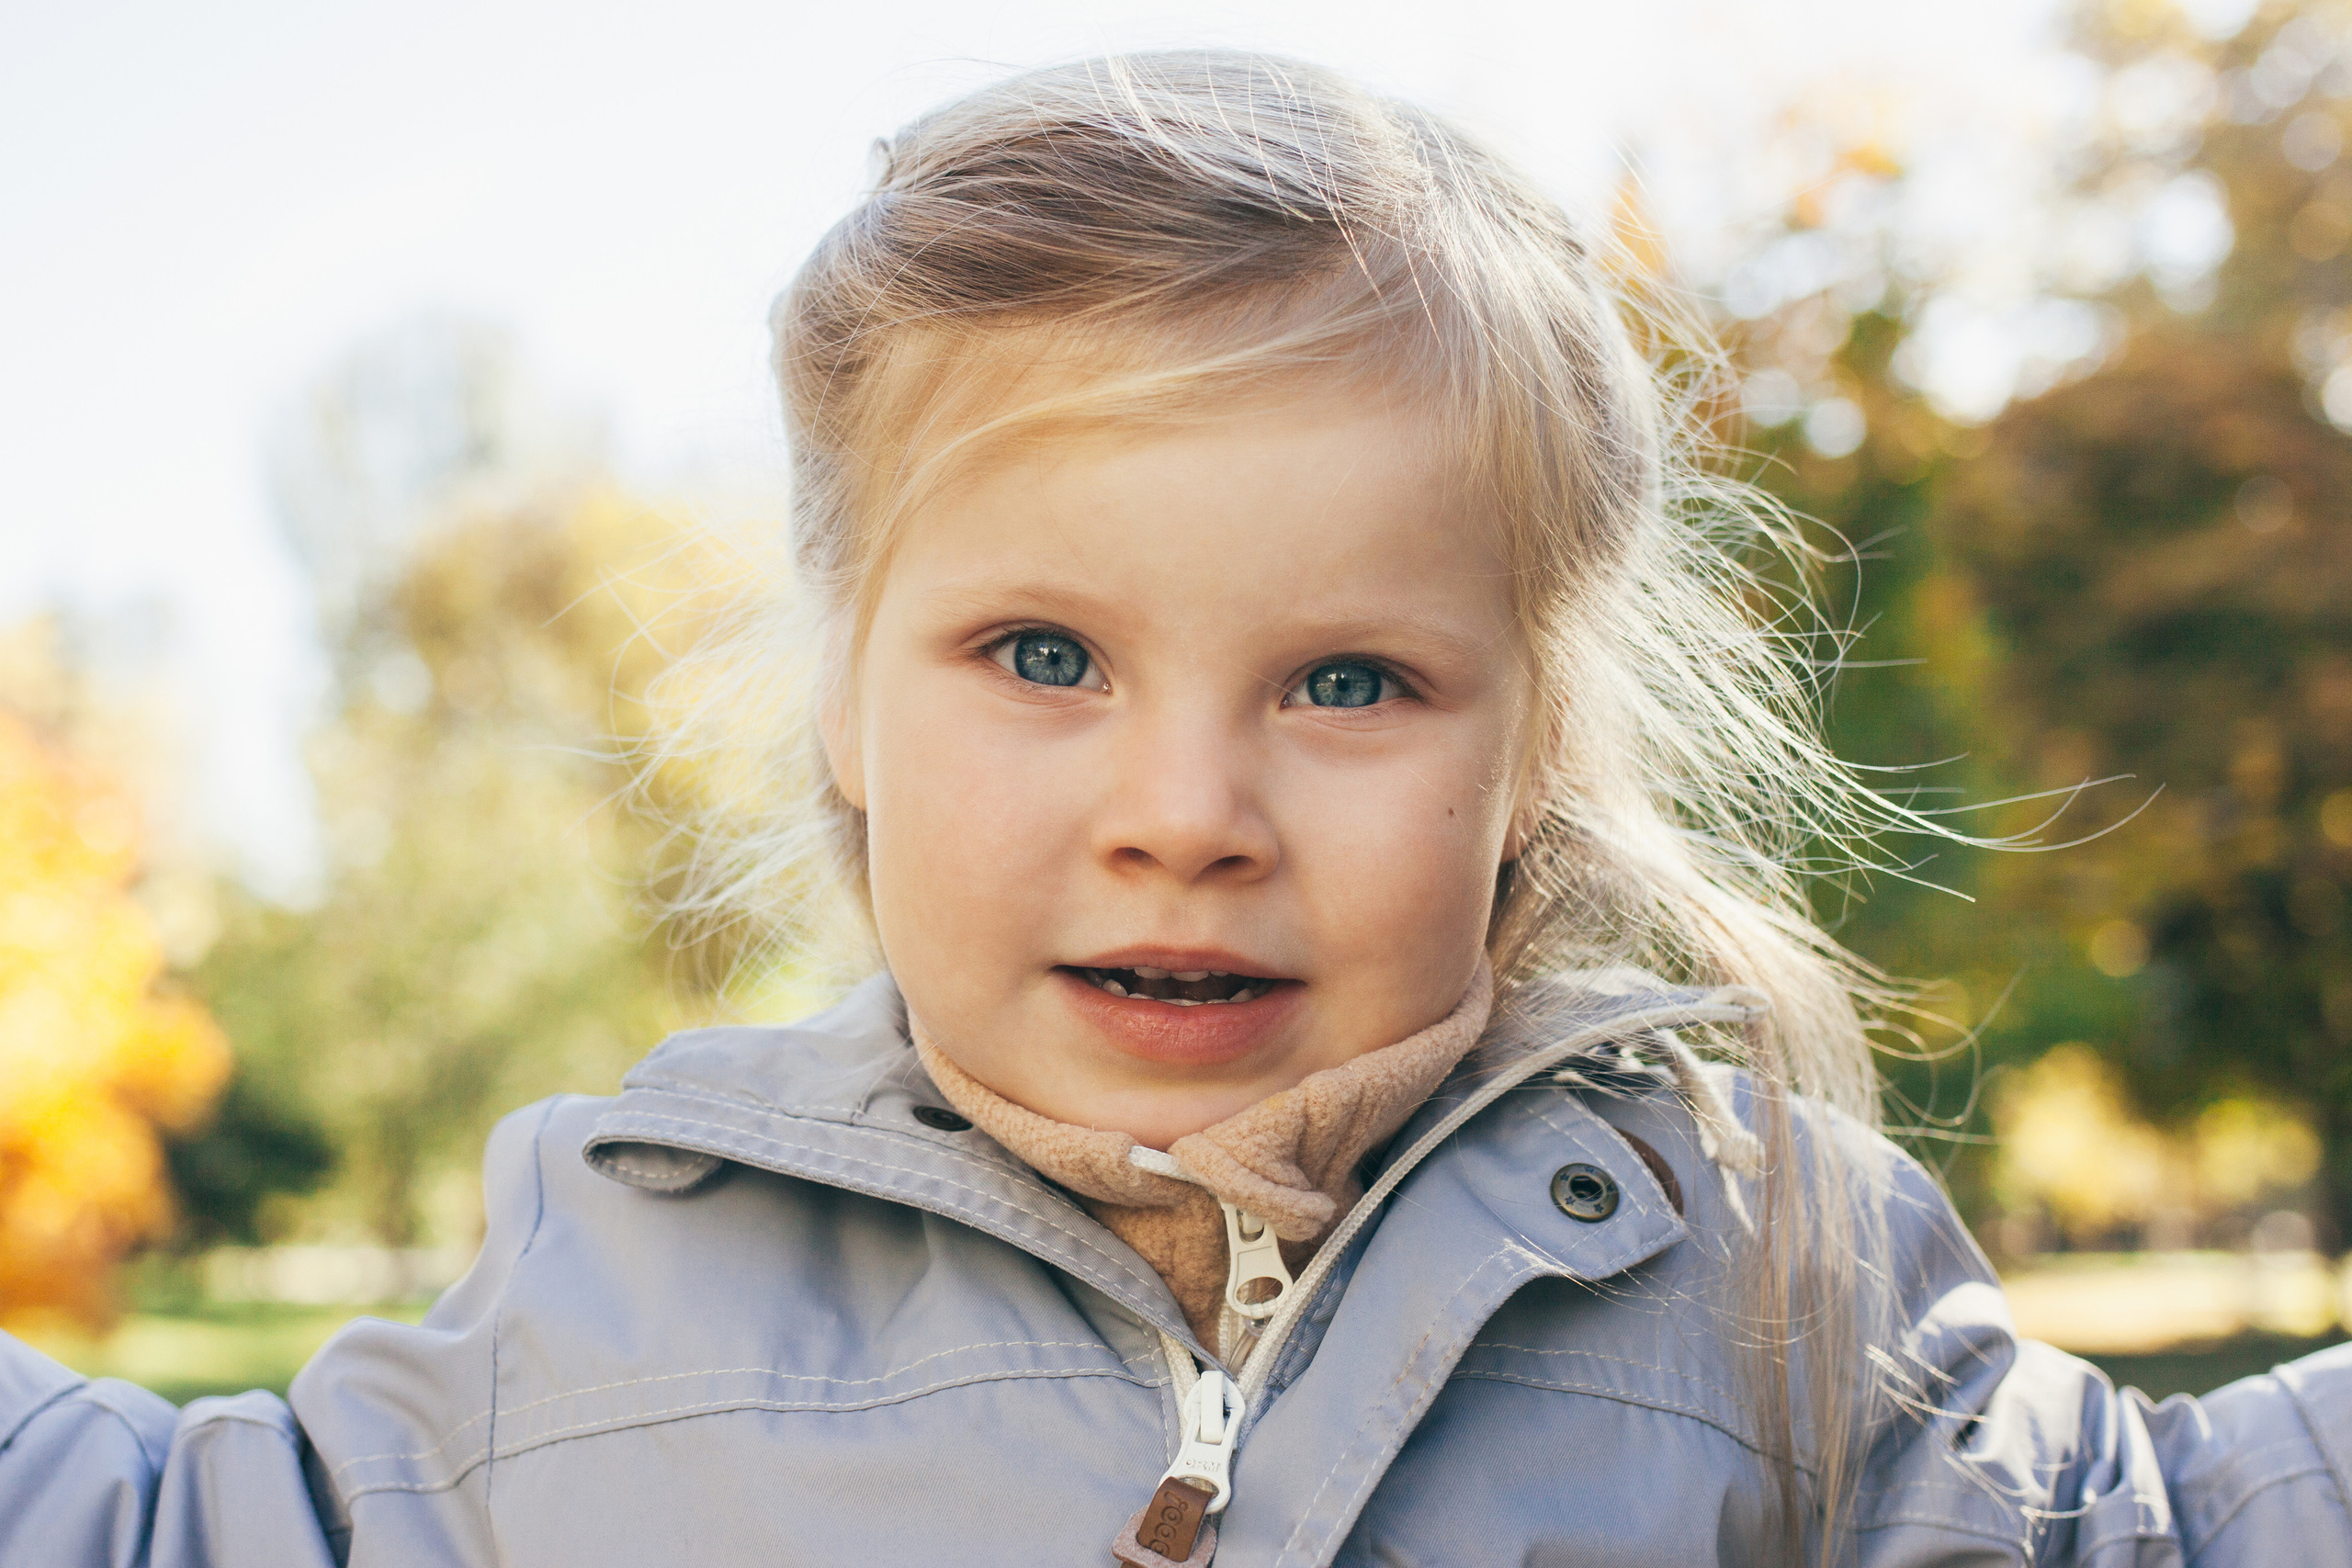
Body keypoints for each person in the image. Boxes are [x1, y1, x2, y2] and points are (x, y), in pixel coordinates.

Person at [4, 50, 2347, 1568]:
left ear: (1530, 737)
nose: (1186, 809)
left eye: (1348, 679)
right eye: (1044, 657)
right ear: (839, 694)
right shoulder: (603, 1302)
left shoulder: (1766, 1282)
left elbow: (2199, 1529)